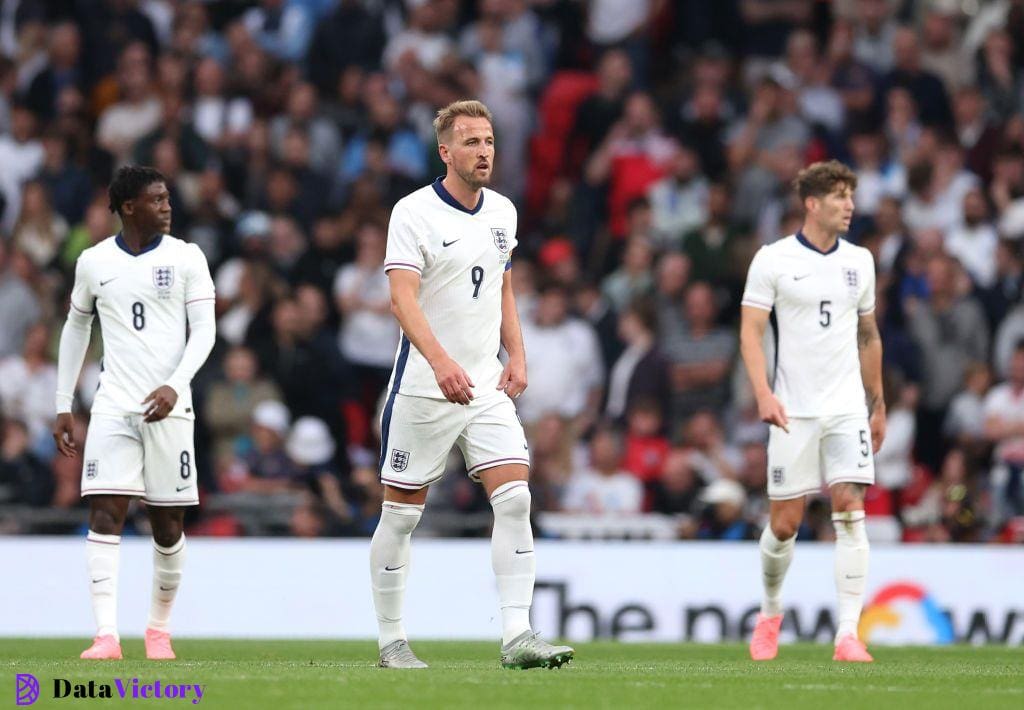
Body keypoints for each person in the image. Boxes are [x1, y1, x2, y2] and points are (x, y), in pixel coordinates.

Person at [370, 100, 572, 670]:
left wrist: (519, 354)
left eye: (488, 142)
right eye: (471, 143)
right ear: (445, 152)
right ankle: (392, 642)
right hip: (423, 385)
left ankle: (517, 637)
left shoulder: (503, 212)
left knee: (516, 498)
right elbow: (401, 297)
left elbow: (504, 288)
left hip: (485, 384)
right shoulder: (412, 213)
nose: (484, 152)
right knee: (403, 515)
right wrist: (440, 362)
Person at [52, 166, 216, 661]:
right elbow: (76, 329)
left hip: (171, 410)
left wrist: (174, 384)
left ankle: (157, 631)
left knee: (168, 528)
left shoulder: (187, 257)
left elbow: (204, 331)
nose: (168, 206)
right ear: (129, 207)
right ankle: (106, 636)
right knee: (104, 514)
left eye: (168, 198)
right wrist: (63, 403)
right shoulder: (94, 262)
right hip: (114, 406)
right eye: (158, 199)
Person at [739, 160, 885, 663]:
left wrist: (878, 402)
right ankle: (770, 614)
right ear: (812, 203)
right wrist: (762, 392)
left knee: (850, 509)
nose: (850, 206)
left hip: (846, 408)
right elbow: (752, 331)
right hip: (792, 410)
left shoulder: (861, 261)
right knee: (785, 524)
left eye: (851, 196)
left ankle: (848, 634)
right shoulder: (773, 259)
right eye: (840, 196)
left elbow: (868, 335)